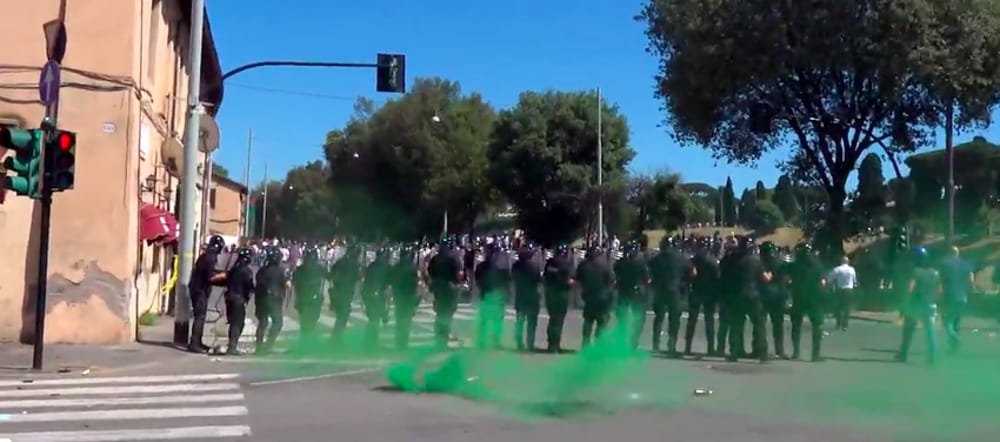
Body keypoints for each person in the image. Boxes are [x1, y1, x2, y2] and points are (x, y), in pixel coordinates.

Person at [896, 246, 941, 365]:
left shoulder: (915, 272)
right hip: (930, 304)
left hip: (915, 304)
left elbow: (910, 288)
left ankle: (903, 353)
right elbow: (939, 290)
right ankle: (932, 357)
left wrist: (904, 304)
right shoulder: (934, 273)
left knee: (908, 330)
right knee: (930, 332)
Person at [649, 237, 692, 355]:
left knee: (659, 318)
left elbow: (650, 272)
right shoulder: (682, 258)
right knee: (674, 319)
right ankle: (671, 345)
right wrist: (683, 285)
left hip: (660, 290)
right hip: (675, 291)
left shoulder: (656, 259)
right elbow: (691, 273)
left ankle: (655, 344)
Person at [187, 235, 227, 353]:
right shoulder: (211, 258)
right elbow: (210, 277)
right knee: (200, 317)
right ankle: (194, 343)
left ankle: (197, 341)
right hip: (200, 291)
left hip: (197, 289)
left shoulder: (205, 256)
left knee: (201, 316)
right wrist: (224, 276)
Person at [788, 243, 826, 361]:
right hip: (814, 298)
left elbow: (788, 281)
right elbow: (823, 282)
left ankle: (796, 352)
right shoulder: (818, 265)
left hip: (798, 297)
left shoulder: (794, 266)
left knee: (796, 325)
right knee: (817, 325)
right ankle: (815, 354)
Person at [427, 237, 465, 349]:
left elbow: (430, 272)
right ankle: (443, 340)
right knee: (447, 315)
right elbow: (459, 275)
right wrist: (459, 285)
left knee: (440, 314)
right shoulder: (454, 259)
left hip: (438, 289)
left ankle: (439, 339)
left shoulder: (435, 259)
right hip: (450, 289)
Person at [614, 240, 651, 350]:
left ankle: (621, 340)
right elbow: (647, 279)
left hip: (623, 291)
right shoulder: (641, 263)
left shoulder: (619, 263)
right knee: (639, 318)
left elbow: (615, 277)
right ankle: (634, 341)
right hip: (637, 292)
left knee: (622, 318)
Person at [685, 239, 720, 355]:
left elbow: (687, 276)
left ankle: (687, 346)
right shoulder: (712, 261)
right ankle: (710, 348)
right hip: (709, 293)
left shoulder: (692, 261)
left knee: (692, 321)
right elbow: (717, 278)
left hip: (696, 291)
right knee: (709, 321)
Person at [577, 246, 615, 347]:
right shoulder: (605, 265)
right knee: (602, 324)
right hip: (603, 298)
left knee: (588, 322)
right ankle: (598, 345)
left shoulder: (583, 265)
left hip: (589, 297)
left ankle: (585, 345)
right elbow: (611, 281)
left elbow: (578, 280)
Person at [254, 246, 289, 354]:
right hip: (274, 300)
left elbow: (258, 283)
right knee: (277, 323)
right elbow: (287, 284)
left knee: (262, 323)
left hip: (261, 300)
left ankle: (259, 346)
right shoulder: (280, 271)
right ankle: (268, 345)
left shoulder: (261, 270)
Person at [938, 246, 973, 353]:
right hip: (962, 296)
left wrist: (938, 295)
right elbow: (971, 280)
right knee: (957, 322)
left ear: (949, 253)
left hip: (949, 296)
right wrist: (968, 291)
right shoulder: (966, 264)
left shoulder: (944, 264)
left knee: (947, 322)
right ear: (958, 253)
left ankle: (956, 339)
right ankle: (953, 348)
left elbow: (939, 280)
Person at [544, 244, 576, 353]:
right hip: (561, 295)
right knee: (558, 321)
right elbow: (570, 281)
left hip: (550, 294)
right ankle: (555, 345)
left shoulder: (549, 263)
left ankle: (550, 344)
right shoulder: (566, 265)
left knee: (552, 319)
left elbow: (545, 277)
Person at [223, 247, 255, 355]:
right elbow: (249, 287)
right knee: (238, 323)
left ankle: (231, 345)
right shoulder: (247, 271)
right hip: (238, 299)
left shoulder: (233, 270)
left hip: (229, 298)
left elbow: (226, 281)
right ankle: (232, 347)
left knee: (233, 323)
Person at [512, 244, 543, 351]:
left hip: (520, 296)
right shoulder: (534, 266)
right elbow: (538, 281)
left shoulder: (515, 266)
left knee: (520, 321)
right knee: (532, 322)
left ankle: (519, 343)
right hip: (532, 297)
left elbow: (513, 278)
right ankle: (530, 344)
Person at [828, 255, 858, 331]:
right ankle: (845, 325)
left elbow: (830, 278)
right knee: (847, 307)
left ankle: (838, 324)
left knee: (838, 307)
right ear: (848, 262)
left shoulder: (838, 269)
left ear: (841, 261)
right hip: (849, 290)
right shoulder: (852, 270)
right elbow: (854, 281)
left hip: (840, 290)